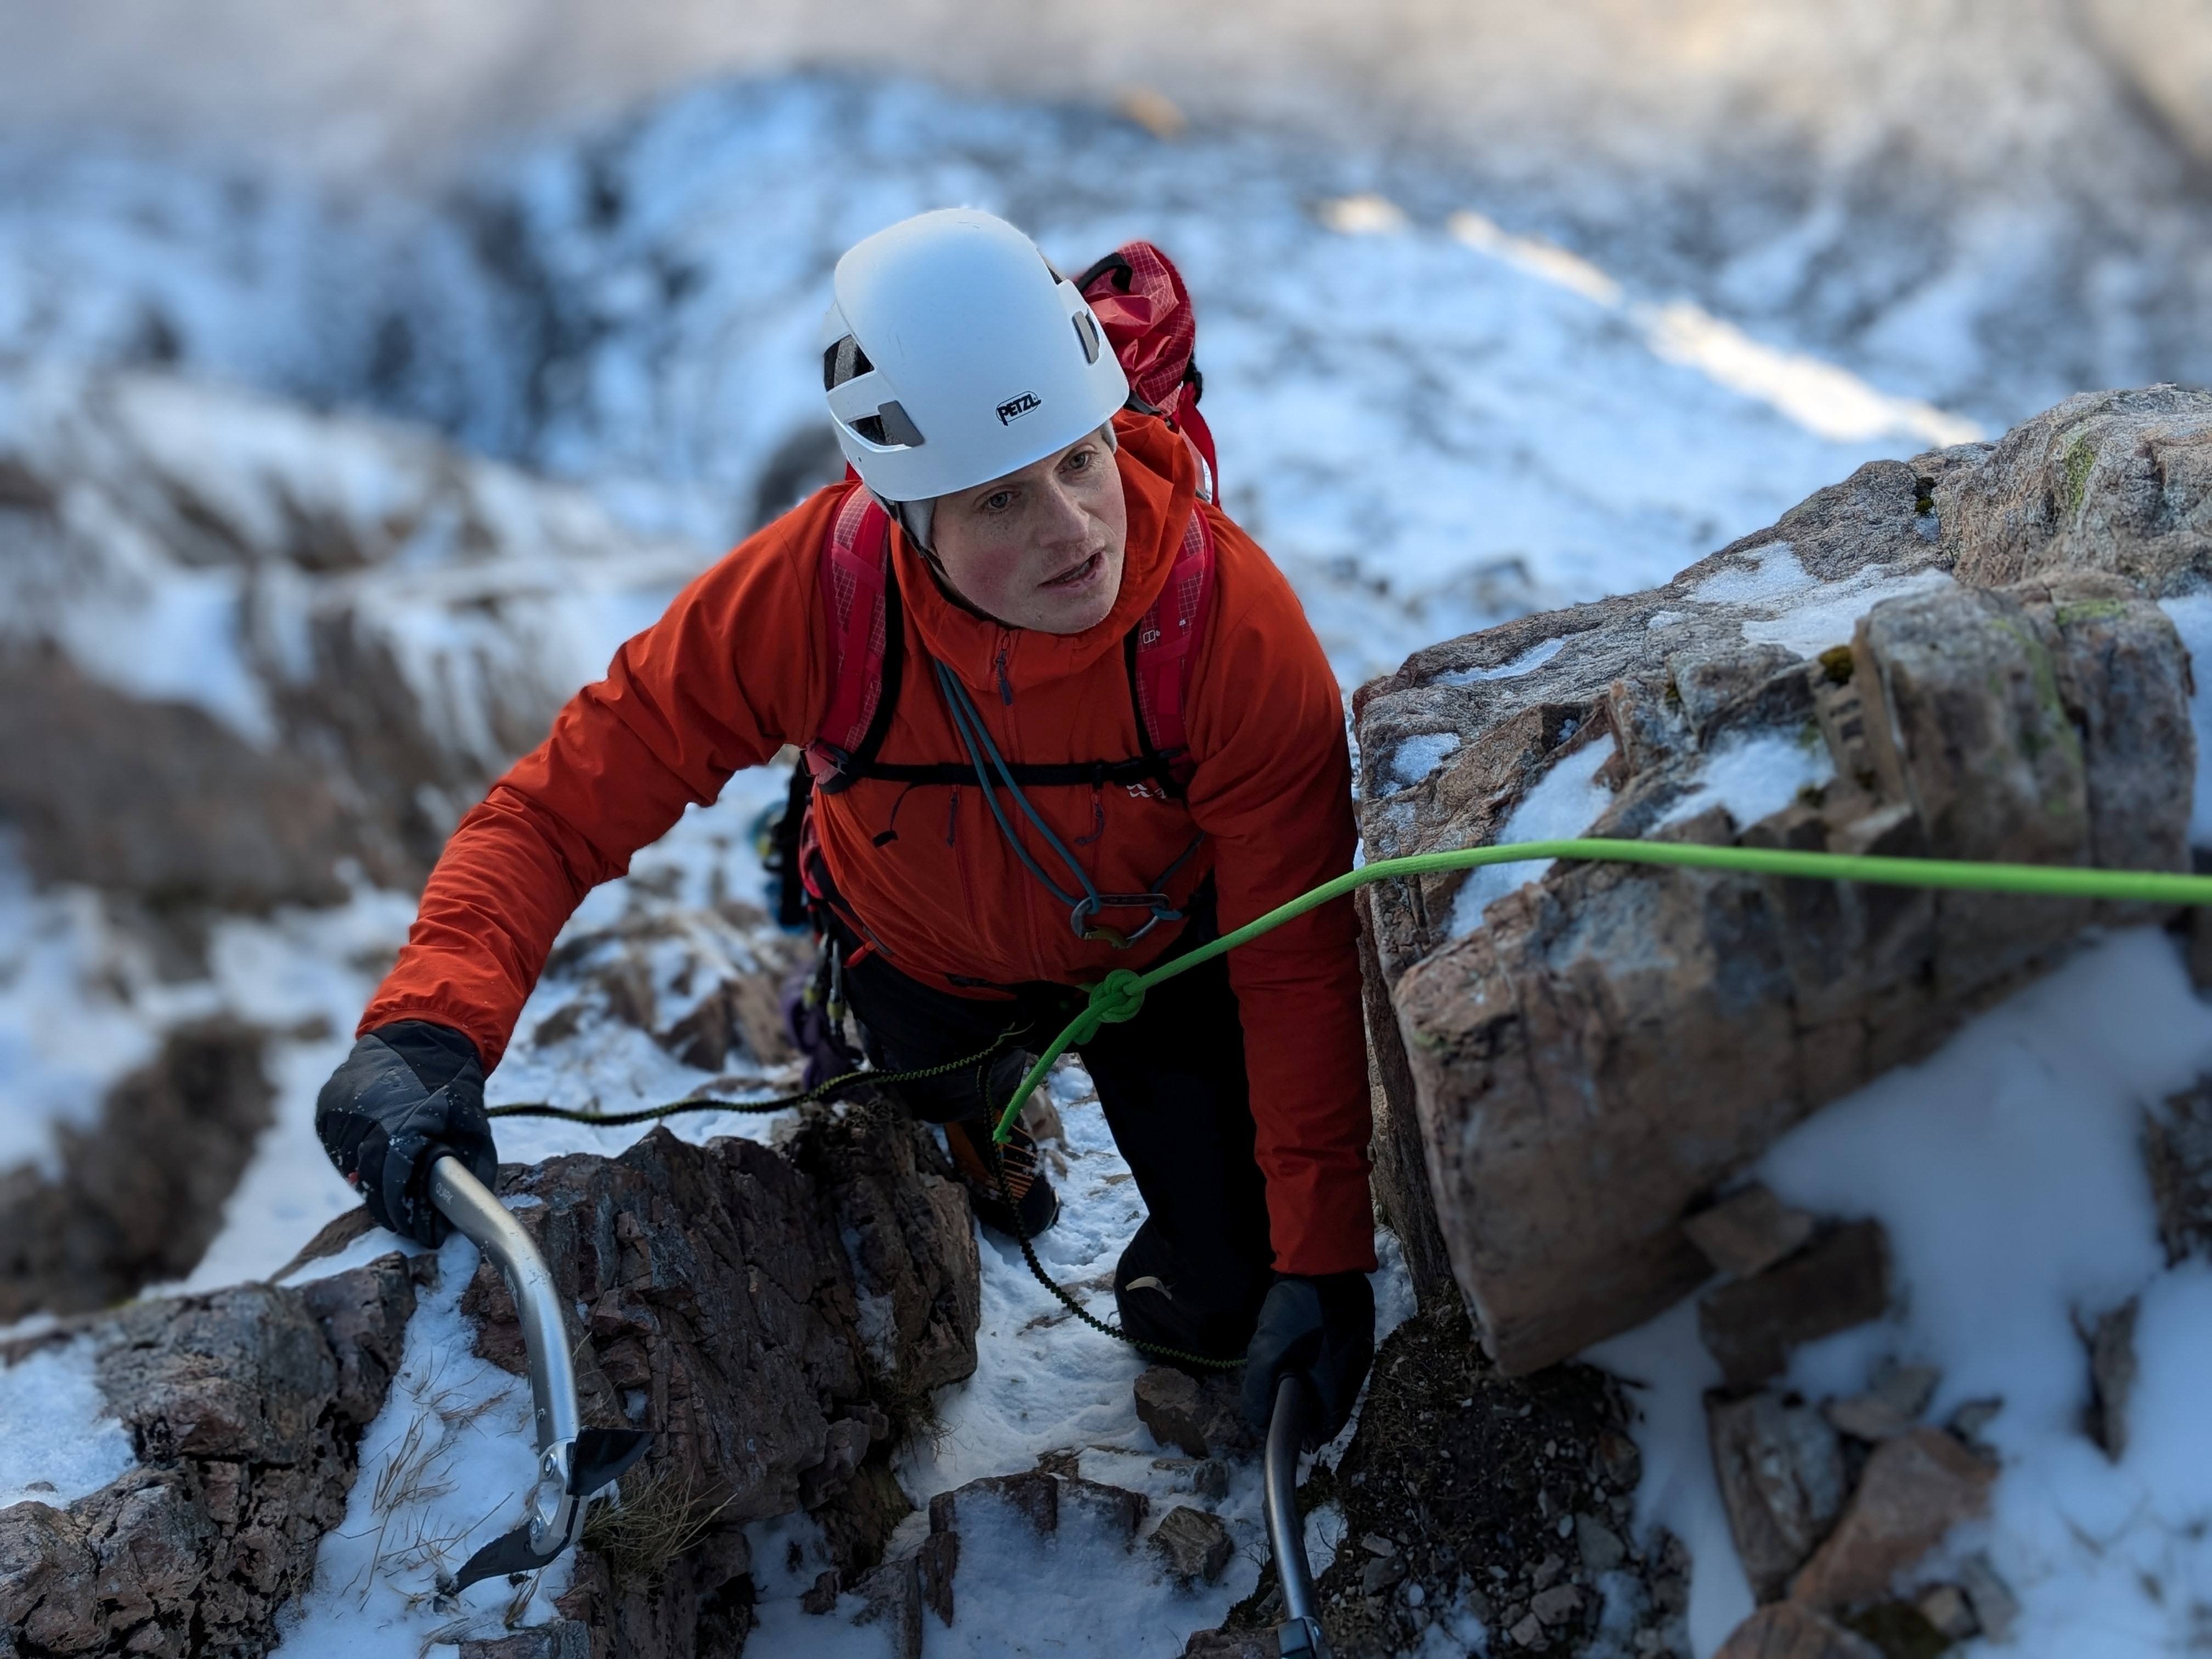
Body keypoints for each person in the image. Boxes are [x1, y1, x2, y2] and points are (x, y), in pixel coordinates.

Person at [313, 208, 1375, 1438]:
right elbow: (560, 807)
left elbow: (1294, 963)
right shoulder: (814, 597)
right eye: (998, 502)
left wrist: (1324, 1263)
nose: (1074, 531)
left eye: (1081, 462)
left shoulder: (1228, 631)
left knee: (1224, 1309)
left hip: (1163, 967)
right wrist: (429, 1025)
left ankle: (1124, 1194)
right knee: (922, 1104)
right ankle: (969, 1120)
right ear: (907, 509)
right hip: (914, 953)